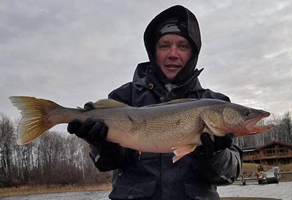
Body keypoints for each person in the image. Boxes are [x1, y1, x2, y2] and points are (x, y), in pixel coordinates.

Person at [67, 5, 243, 200]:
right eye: (164, 45)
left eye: (183, 46)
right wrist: (102, 146)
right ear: (154, 51)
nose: (173, 54)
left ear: (193, 53)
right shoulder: (123, 98)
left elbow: (229, 175)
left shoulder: (216, 104)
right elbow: (106, 163)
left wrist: (214, 154)